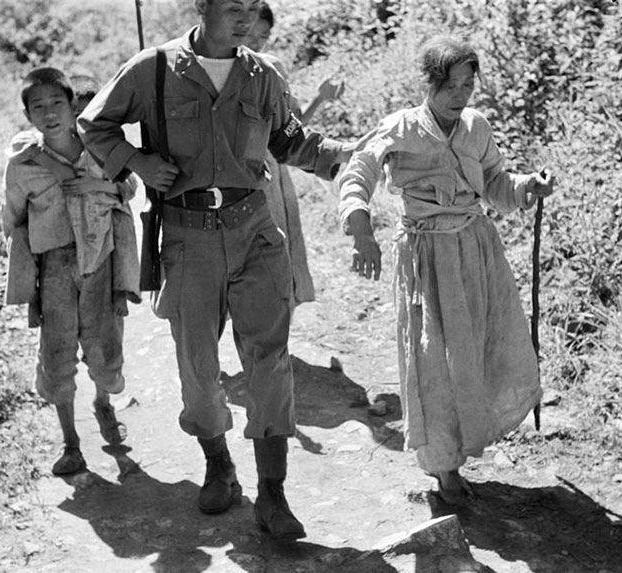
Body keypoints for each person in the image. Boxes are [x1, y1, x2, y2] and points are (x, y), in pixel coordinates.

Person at [78, 0, 352, 540]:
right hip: (187, 236)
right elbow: (95, 125)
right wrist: (137, 162)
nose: (245, 18)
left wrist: (348, 155)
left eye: (253, 8)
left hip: (256, 230)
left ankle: (273, 496)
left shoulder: (263, 73)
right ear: (202, 7)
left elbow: (288, 139)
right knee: (198, 369)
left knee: (269, 362)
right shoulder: (152, 69)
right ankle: (218, 464)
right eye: (232, 7)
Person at [338, 35, 555, 505]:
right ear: (429, 84)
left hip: (477, 250)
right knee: (431, 356)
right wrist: (360, 227)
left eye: (468, 84)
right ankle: (444, 467)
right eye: (451, 85)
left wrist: (527, 187)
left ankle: (471, 434)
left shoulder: (476, 127)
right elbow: (358, 173)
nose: (461, 95)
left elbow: (496, 183)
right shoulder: (400, 129)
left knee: (479, 348)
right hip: (426, 257)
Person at [1, 67, 140, 476]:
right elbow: (12, 216)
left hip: (100, 262)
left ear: (74, 107)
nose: (49, 114)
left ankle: (103, 401)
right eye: (38, 107)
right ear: (28, 115)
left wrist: (98, 187)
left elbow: (130, 186)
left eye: (57, 104)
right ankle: (71, 443)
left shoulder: (98, 149)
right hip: (55, 269)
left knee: (104, 350)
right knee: (58, 356)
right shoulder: (24, 162)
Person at [244, 2, 345, 307]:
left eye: (263, 37)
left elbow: (292, 130)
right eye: (250, 34)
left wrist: (321, 98)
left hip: (275, 175)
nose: (256, 43)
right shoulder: (220, 67)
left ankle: (280, 336)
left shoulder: (271, 66)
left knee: (283, 251)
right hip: (243, 180)